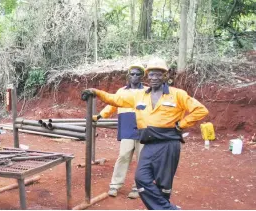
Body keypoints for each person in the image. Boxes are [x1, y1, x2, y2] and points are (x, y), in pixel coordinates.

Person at [81, 58, 209, 210]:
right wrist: (95, 92)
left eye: (158, 75)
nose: (154, 78)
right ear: (148, 76)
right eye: (152, 75)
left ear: (166, 76)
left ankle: (161, 207)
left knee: (164, 183)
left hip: (168, 143)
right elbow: (114, 99)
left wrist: (181, 125)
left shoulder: (177, 95)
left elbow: (201, 110)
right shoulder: (139, 95)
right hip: (148, 142)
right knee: (141, 178)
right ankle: (168, 209)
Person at [98, 63, 147, 199]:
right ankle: (115, 185)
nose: (135, 76)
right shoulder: (121, 92)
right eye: (132, 74)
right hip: (127, 127)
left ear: (142, 76)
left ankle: (138, 187)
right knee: (123, 155)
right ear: (128, 76)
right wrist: (100, 116)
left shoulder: (148, 91)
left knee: (142, 158)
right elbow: (111, 105)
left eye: (138, 74)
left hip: (143, 128)